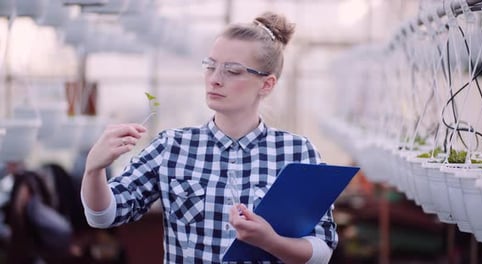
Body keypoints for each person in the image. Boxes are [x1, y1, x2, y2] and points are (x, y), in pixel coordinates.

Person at [81, 11, 337, 263]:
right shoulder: (171, 146)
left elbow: (321, 251)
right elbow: (104, 215)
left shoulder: (297, 152)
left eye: (232, 71)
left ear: (267, 84)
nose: (214, 79)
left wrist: (270, 241)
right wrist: (94, 169)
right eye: (210, 66)